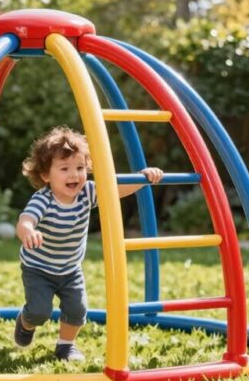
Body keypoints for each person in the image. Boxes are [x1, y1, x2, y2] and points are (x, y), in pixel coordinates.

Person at [14, 126, 164, 361]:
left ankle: (66, 346)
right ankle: (25, 322)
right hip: (38, 269)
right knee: (39, 311)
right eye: (64, 169)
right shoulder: (43, 199)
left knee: (77, 310)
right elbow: (26, 220)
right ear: (45, 175)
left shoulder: (87, 192)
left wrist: (142, 178)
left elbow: (116, 190)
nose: (74, 175)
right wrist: (28, 231)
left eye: (80, 168)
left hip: (71, 268)